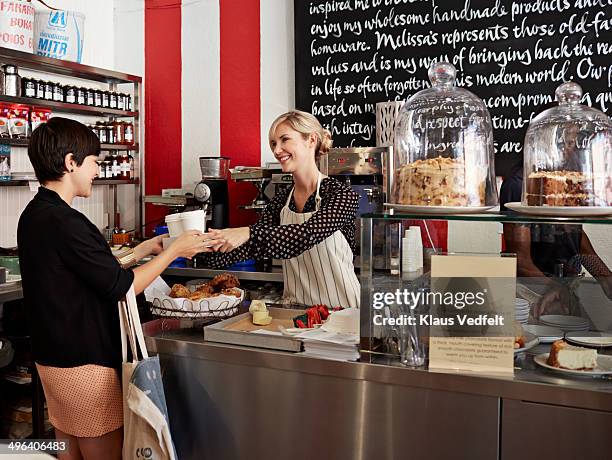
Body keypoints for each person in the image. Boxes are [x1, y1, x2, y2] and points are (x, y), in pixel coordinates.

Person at [17, 117, 215, 460]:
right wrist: (174, 251)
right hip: (85, 367)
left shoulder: (36, 213)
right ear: (70, 163)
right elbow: (123, 287)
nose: (96, 169)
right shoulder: (67, 221)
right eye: (93, 161)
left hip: (52, 361)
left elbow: (86, 272)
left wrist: (141, 250)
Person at [201, 110, 361, 308]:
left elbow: (305, 236)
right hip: (296, 313)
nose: (277, 151)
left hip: (343, 313)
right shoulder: (282, 199)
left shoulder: (341, 194)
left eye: (285, 140)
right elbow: (252, 246)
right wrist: (204, 247)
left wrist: (248, 232)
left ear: (311, 140)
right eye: (274, 144)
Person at [500, 162, 612, 317]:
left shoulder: (566, 181)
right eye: (568, 142)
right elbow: (521, 262)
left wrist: (604, 276)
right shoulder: (519, 184)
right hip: (532, 293)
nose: (573, 148)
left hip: (565, 289)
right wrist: (557, 288)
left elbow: (574, 235)